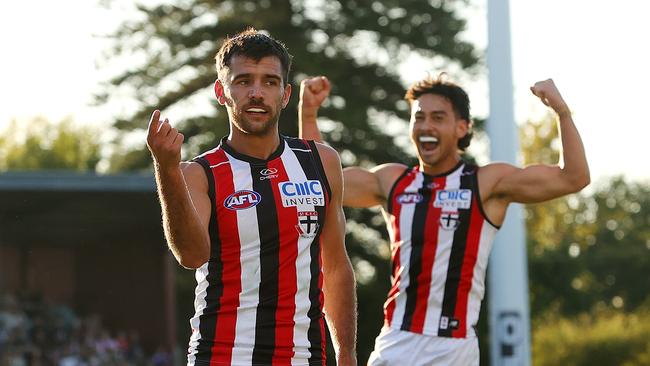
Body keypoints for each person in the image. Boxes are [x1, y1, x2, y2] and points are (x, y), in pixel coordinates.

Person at [299, 74, 589, 365]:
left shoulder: (486, 183)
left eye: (438, 118)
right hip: (396, 342)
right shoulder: (393, 181)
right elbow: (317, 181)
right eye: (419, 117)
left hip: (453, 349)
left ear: (462, 128)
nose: (426, 127)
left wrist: (562, 112)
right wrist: (308, 112)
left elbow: (573, 177)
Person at [146, 28, 357, 366]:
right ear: (221, 91)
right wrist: (166, 169)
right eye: (243, 81)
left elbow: (334, 266)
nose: (257, 93)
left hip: (304, 357)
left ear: (285, 95)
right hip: (223, 356)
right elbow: (191, 254)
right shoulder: (199, 173)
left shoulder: (322, 161)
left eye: (270, 82)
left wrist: (346, 355)